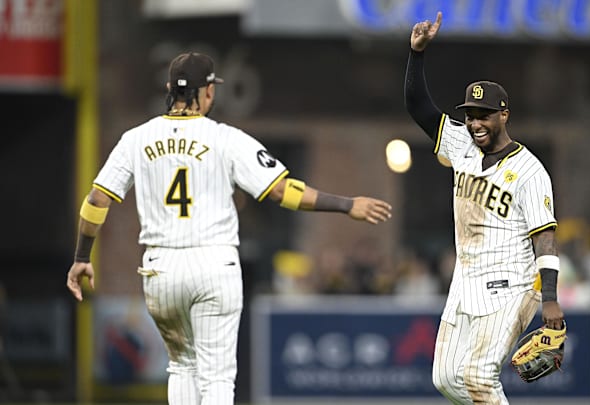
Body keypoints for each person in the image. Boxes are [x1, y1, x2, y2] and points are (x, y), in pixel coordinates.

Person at [66, 52, 392, 405]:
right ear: (208, 91)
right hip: (213, 262)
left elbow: (97, 200)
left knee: (181, 366)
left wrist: (82, 256)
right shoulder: (225, 138)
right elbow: (282, 191)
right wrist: (346, 205)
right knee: (217, 375)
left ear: (168, 89)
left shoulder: (136, 139)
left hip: (160, 267)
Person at [405, 12, 564, 404]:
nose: (475, 122)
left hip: (513, 284)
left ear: (503, 115)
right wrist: (416, 55)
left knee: (478, 375)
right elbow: (418, 108)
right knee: (445, 378)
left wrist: (551, 300)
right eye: (470, 115)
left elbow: (545, 239)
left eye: (484, 115)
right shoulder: (460, 145)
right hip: (465, 282)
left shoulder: (529, 171)